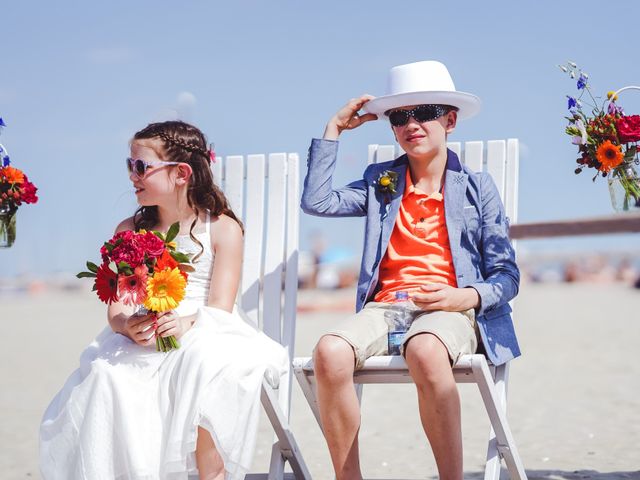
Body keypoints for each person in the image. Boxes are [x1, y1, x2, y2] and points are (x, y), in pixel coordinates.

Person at [301, 61, 521, 480]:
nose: (411, 124)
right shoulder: (379, 181)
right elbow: (318, 202)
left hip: (449, 309)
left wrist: (466, 297)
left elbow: (506, 275)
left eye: (424, 113)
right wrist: (333, 129)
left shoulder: (477, 188)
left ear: (450, 120)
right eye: (400, 117)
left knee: (424, 349)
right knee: (328, 353)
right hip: (385, 307)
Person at [40, 121, 288, 480]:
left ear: (181, 174)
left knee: (205, 363)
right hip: (146, 333)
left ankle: (211, 475)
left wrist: (186, 323)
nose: (133, 176)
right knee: (107, 374)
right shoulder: (129, 231)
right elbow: (118, 308)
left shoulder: (221, 229)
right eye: (130, 165)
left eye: (142, 167)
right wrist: (128, 326)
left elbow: (220, 305)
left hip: (208, 328)